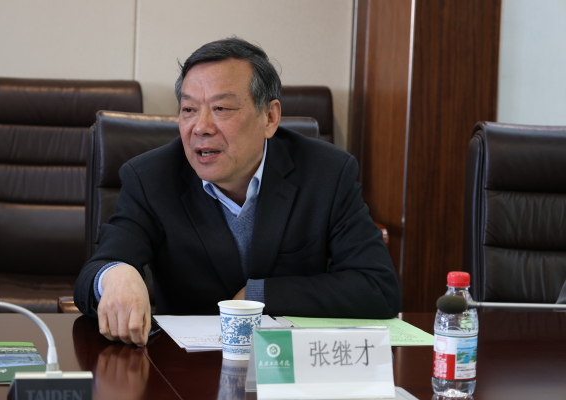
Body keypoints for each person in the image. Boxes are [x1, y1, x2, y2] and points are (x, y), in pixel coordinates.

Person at [74, 37, 401, 346]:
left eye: (221, 108)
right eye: (189, 109)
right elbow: (93, 273)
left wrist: (257, 296)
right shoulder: (151, 178)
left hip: (289, 363)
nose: (201, 127)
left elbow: (378, 288)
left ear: (269, 117)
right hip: (183, 366)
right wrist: (115, 274)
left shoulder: (327, 173)